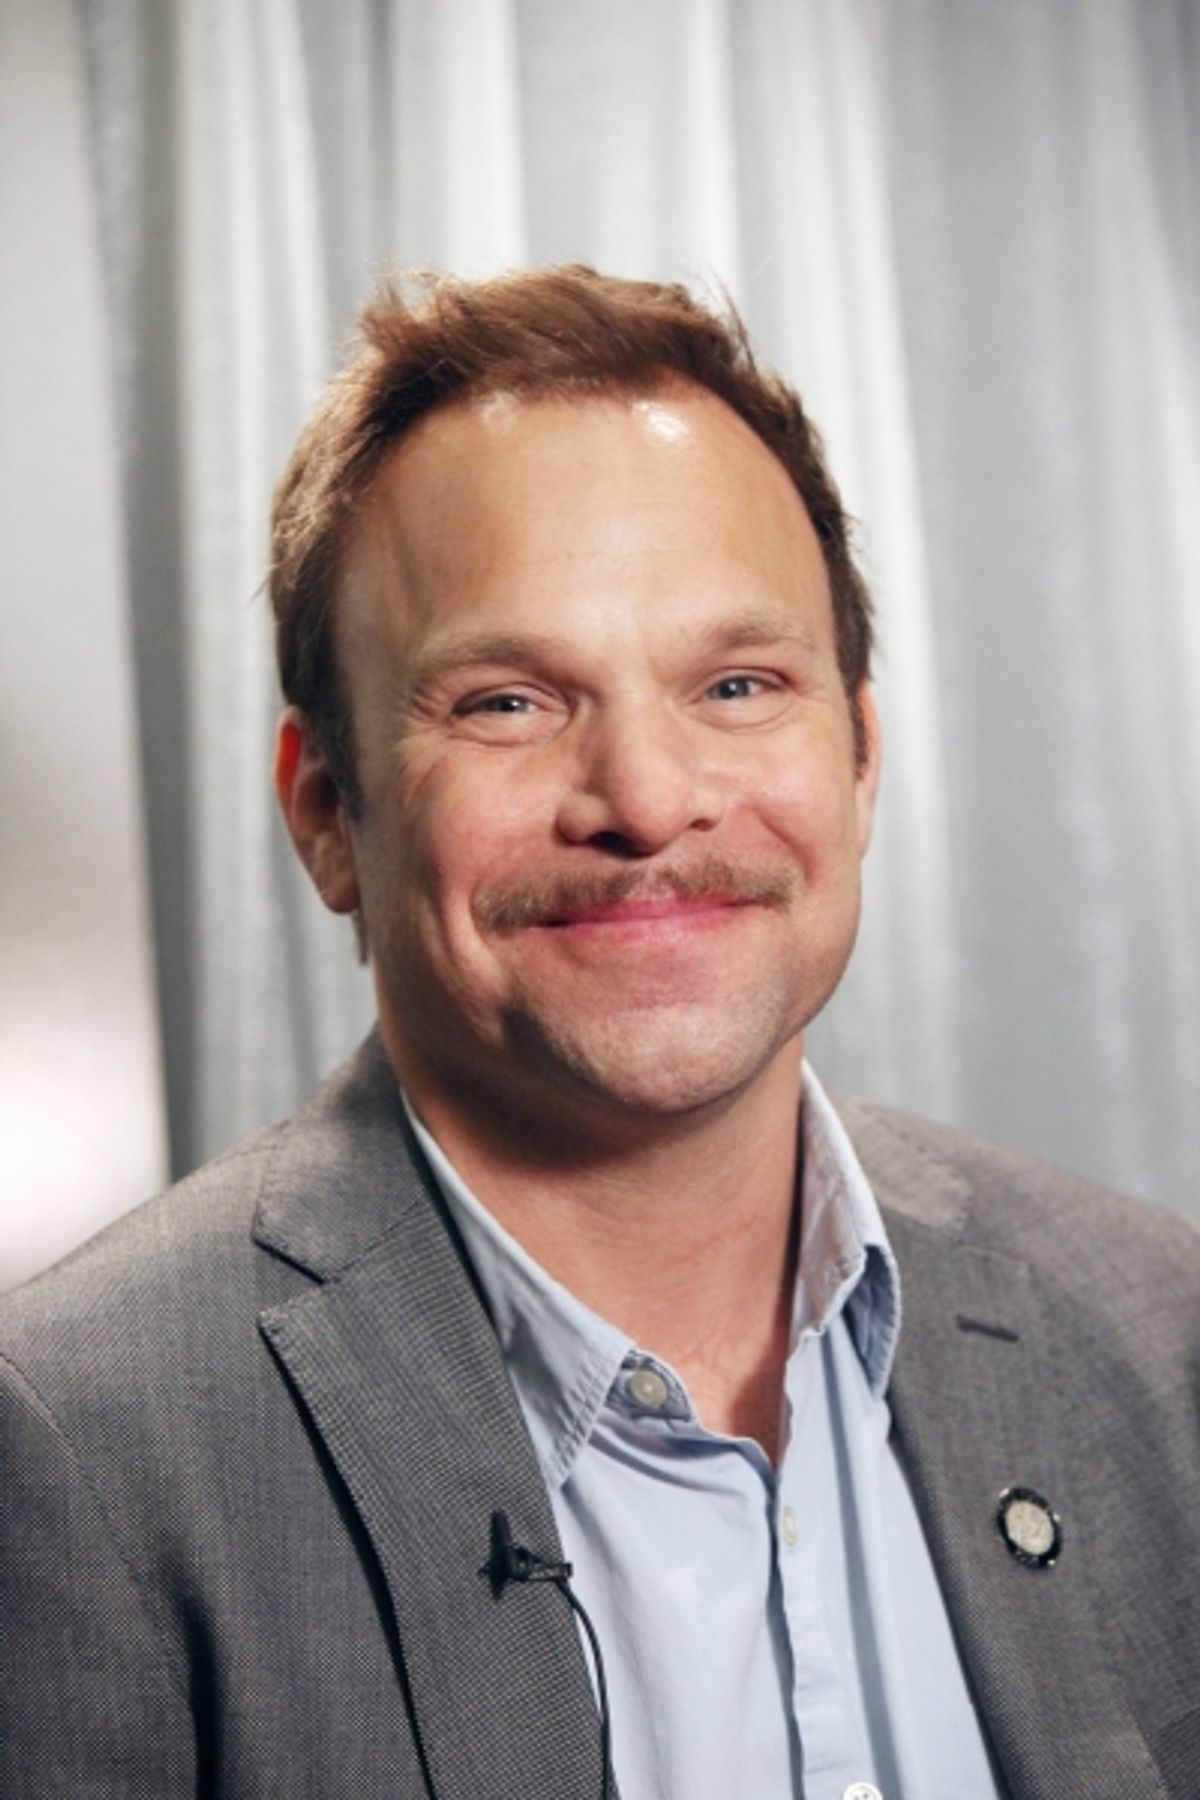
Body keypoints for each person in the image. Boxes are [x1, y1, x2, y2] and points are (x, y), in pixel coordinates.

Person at [1, 268, 1196, 1800]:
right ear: (327, 815)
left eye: (739, 683)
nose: (644, 795)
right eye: (507, 702)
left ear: (862, 758)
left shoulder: (1160, 1336)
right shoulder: (80, 1460)